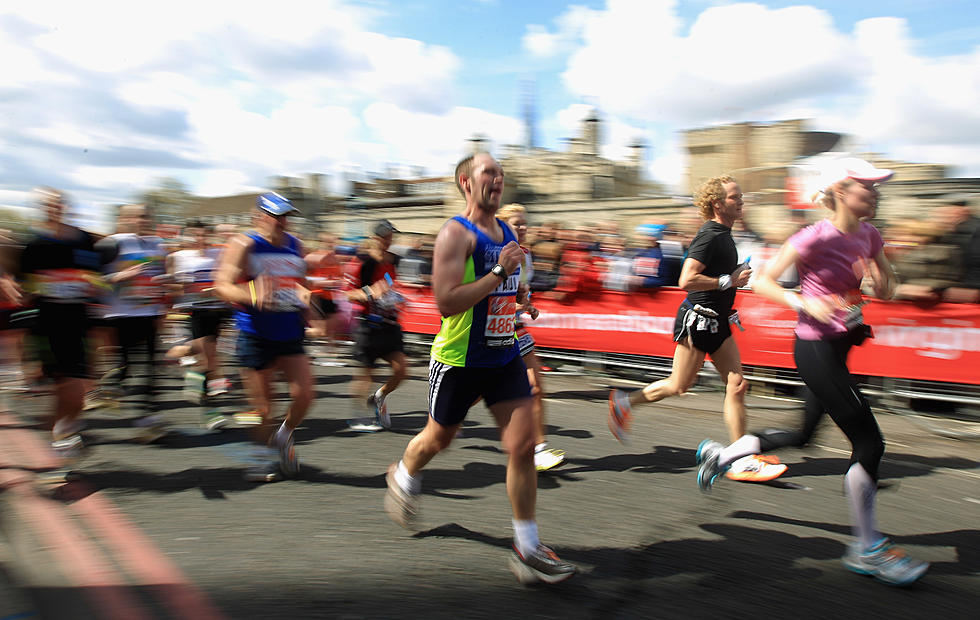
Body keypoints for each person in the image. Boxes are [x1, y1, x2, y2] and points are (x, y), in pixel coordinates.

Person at [696, 158, 929, 586]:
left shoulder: (871, 233)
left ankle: (722, 456)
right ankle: (867, 547)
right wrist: (806, 302)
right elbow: (763, 281)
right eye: (867, 188)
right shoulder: (814, 235)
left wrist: (882, 281)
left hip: (840, 348)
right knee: (870, 444)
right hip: (815, 349)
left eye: (876, 189)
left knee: (803, 435)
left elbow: (887, 286)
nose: (875, 195)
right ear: (840, 192)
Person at [384, 152, 577, 584]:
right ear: (466, 183)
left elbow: (504, 281)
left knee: (523, 445)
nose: (498, 179)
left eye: (501, 173)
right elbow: (446, 302)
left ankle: (527, 548)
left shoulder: (506, 230)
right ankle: (404, 472)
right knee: (439, 438)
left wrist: (519, 291)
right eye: (489, 172)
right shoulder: (455, 233)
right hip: (459, 360)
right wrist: (498, 272)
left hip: (503, 355)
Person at [608, 175, 787, 483]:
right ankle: (625, 402)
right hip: (698, 321)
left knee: (737, 385)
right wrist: (729, 280)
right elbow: (686, 279)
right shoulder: (710, 235)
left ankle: (740, 458)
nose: (742, 201)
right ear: (718, 204)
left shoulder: (725, 233)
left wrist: (732, 278)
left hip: (718, 320)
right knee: (679, 386)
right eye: (735, 197)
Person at [215, 192, 314, 482]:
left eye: (287, 216)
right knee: (262, 408)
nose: (283, 222)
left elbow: (300, 284)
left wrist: (305, 297)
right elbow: (222, 285)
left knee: (305, 395)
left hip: (289, 329)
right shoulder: (243, 244)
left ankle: (283, 436)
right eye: (277, 216)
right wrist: (252, 296)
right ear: (260, 215)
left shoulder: (296, 245)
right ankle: (260, 458)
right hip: (255, 333)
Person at [17, 189, 103, 462]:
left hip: (78, 320)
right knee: (64, 385)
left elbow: (96, 277)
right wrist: (30, 288)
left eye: (58, 205)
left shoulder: (84, 240)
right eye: (47, 205)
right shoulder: (33, 245)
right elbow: (26, 285)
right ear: (42, 209)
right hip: (46, 322)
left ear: (65, 207)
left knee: (76, 389)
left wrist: (93, 288)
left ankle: (61, 430)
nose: (53, 209)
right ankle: (61, 436)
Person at [497, 203, 565, 472]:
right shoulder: (491, 255)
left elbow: (518, 293)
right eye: (517, 223)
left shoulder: (525, 256)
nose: (523, 228)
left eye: (525, 223)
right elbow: (483, 299)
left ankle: (538, 450)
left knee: (536, 386)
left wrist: (526, 302)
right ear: (503, 226)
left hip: (515, 328)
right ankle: (447, 414)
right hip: (489, 330)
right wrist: (515, 306)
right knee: (475, 388)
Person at [99, 204, 170, 441]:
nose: (142, 220)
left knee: (150, 368)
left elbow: (161, 277)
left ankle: (146, 419)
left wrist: (165, 294)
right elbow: (93, 279)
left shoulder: (158, 245)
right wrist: (121, 276)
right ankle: (106, 389)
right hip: (121, 316)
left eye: (146, 216)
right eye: (137, 216)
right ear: (125, 218)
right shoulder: (112, 244)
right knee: (127, 366)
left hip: (149, 313)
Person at [345, 219, 408, 432]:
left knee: (401, 370)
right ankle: (356, 417)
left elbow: (389, 284)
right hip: (368, 325)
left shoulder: (392, 261)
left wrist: (396, 297)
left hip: (389, 324)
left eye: (390, 236)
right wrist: (370, 293)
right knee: (365, 375)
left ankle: (379, 396)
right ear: (373, 237)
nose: (387, 240)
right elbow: (348, 294)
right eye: (383, 236)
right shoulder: (362, 263)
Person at [168, 221, 233, 426]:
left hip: (218, 310)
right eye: (195, 235)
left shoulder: (218, 255)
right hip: (196, 310)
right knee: (208, 361)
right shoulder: (180, 257)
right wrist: (182, 287)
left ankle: (193, 377)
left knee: (209, 359)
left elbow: (227, 278)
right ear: (189, 237)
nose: (200, 239)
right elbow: (172, 285)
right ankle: (212, 413)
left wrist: (220, 287)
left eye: (203, 235)